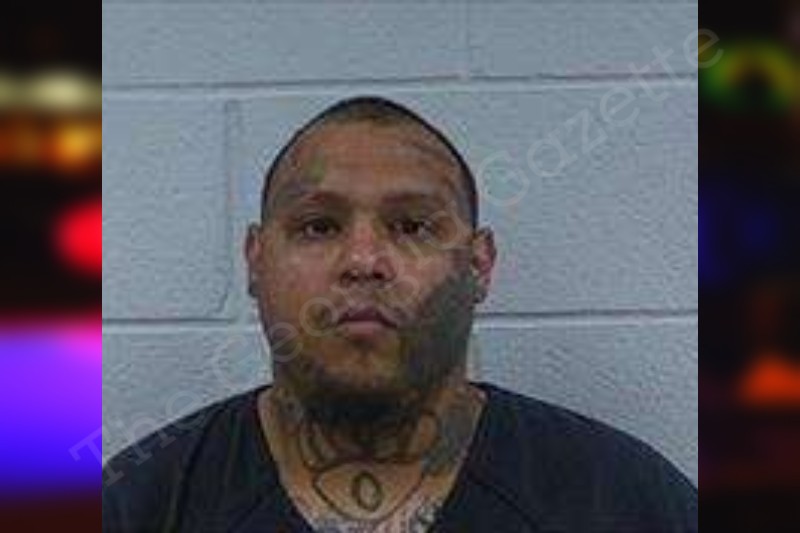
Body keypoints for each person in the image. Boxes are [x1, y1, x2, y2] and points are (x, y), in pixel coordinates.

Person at [102, 96, 697, 532]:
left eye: (412, 226)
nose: (364, 261)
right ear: (256, 260)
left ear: (479, 264)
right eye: (318, 226)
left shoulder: (623, 501)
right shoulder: (137, 504)